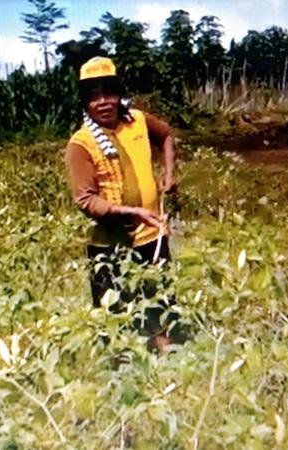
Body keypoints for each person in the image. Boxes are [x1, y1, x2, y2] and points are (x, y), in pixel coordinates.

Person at [64, 56, 180, 353]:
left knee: (162, 309)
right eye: (93, 96)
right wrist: (131, 212)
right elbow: (86, 200)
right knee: (114, 322)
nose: (103, 102)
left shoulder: (138, 121)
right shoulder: (81, 144)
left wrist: (170, 174)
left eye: (109, 93)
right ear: (85, 102)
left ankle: (170, 375)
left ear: (118, 93)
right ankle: (121, 383)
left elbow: (165, 135)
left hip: (152, 237)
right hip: (109, 247)